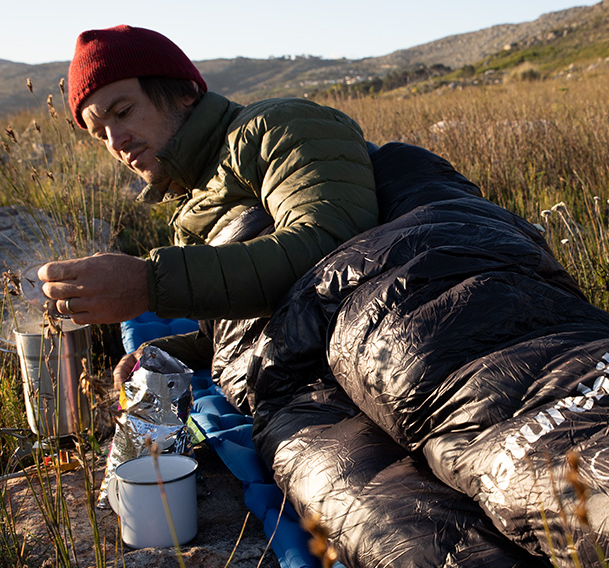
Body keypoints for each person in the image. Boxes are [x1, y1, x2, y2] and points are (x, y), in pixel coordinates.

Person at [38, 25, 379, 389]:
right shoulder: (194, 197)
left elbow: (338, 254)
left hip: (382, 351)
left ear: (183, 92)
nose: (115, 142)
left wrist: (149, 283)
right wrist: (172, 351)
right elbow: (261, 315)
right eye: (99, 134)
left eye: (122, 112)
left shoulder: (275, 126)